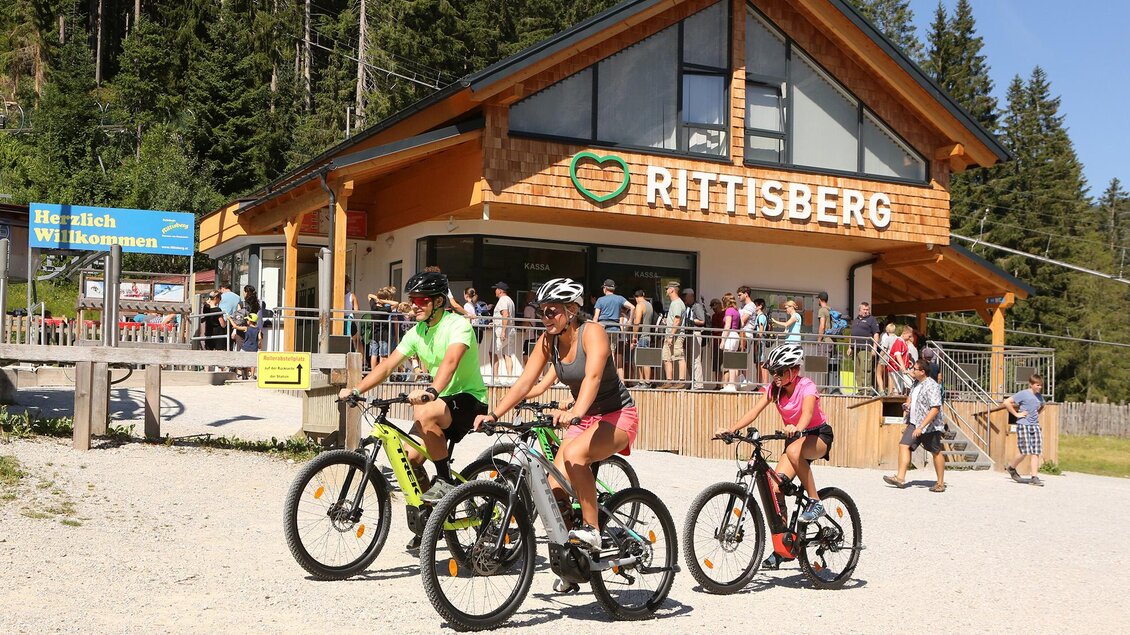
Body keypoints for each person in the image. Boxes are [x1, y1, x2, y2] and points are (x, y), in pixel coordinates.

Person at [475, 277, 637, 591]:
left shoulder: (594, 333)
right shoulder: (548, 342)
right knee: (555, 490)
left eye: (553, 311)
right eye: (542, 311)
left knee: (576, 457)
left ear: (572, 310)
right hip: (585, 417)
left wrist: (576, 411)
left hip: (617, 416)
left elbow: (591, 378)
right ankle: (573, 566)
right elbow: (524, 383)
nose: (546, 317)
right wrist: (494, 414)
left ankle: (592, 529)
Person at [337, 271, 488, 526]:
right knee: (409, 458)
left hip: (468, 400)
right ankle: (434, 521)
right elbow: (386, 367)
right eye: (413, 300)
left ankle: (444, 482)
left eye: (421, 300)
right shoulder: (418, 331)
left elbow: (451, 362)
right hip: (440, 402)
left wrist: (432, 391)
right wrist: (357, 390)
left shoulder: (458, 325)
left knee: (425, 412)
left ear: (438, 302)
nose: (415, 305)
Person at [715, 344, 833, 568]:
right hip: (795, 440)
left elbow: (808, 412)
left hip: (817, 436)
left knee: (793, 450)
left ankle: (816, 502)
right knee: (776, 487)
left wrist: (798, 427)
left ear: (794, 371)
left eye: (780, 372)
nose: (776, 377)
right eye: (773, 372)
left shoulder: (806, 386)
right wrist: (731, 429)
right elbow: (754, 411)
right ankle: (784, 548)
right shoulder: (774, 390)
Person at [883, 359, 946, 492]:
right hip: (914, 422)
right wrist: (908, 405)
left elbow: (935, 408)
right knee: (904, 445)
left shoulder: (932, 385)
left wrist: (921, 427)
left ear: (922, 372)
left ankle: (940, 483)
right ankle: (900, 478)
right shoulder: (916, 383)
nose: (912, 371)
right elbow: (912, 398)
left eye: (915, 369)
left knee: (936, 452)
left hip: (930, 426)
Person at [1002, 374, 1047, 486]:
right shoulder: (1023, 394)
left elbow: (1043, 406)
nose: (1039, 387)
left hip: (1035, 425)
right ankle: (1011, 468)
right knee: (1025, 451)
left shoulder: (1039, 396)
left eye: (1041, 385)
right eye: (1037, 385)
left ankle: (1034, 477)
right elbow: (1006, 402)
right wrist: (1017, 414)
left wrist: (1036, 414)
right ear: (1031, 384)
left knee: (1036, 451)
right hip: (1023, 425)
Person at [592, 279, 633, 380]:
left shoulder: (600, 300)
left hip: (602, 328)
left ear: (605, 288)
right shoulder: (619, 299)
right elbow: (632, 307)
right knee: (612, 352)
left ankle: (602, 376)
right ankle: (611, 376)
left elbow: (595, 318)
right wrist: (630, 321)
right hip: (614, 328)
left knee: (600, 352)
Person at [849, 302, 880, 394]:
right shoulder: (856, 320)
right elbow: (852, 334)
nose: (866, 311)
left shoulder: (872, 320)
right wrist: (849, 347)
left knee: (865, 369)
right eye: (864, 309)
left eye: (867, 309)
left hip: (866, 348)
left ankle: (867, 389)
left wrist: (874, 347)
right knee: (857, 370)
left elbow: (876, 334)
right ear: (860, 310)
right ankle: (860, 390)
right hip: (855, 348)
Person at [659, 281, 686, 388]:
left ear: (672, 290)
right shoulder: (675, 303)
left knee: (679, 356)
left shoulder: (677, 303)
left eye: (667, 289)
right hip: (670, 335)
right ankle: (669, 381)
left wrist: (671, 336)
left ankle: (681, 381)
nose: (666, 291)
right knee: (666, 358)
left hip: (676, 335)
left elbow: (677, 320)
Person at [491, 282, 517, 380]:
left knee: (493, 352)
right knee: (508, 354)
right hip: (511, 330)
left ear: (500, 291)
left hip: (503, 331)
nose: (495, 291)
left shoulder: (502, 300)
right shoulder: (510, 300)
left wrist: (503, 331)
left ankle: (495, 378)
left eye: (496, 289)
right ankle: (509, 378)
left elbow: (505, 314)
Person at [683, 288, 707, 390]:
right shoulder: (688, 307)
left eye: (685, 296)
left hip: (696, 333)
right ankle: (693, 381)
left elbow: (702, 321)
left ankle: (698, 384)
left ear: (690, 296)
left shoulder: (697, 306)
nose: (684, 298)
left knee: (696, 360)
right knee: (689, 360)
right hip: (689, 334)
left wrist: (691, 320)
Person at [630, 290, 655, 387]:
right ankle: (641, 381)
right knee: (640, 360)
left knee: (644, 360)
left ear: (635, 297)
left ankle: (647, 381)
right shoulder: (649, 305)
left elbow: (637, 321)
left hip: (642, 336)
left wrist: (634, 336)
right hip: (647, 335)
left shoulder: (639, 305)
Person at [719, 293, 742, 392]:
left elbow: (727, 325)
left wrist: (723, 340)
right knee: (733, 361)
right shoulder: (737, 311)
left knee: (730, 361)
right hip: (736, 335)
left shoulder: (729, 311)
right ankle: (732, 384)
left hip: (730, 335)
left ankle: (731, 384)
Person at [887, 325, 914, 395]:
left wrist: (908, 361)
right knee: (898, 386)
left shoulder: (903, 342)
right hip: (897, 368)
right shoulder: (899, 341)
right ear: (904, 333)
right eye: (909, 336)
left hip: (900, 368)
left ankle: (903, 396)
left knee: (905, 385)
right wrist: (902, 366)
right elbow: (898, 355)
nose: (909, 338)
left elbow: (902, 355)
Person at [877, 322, 897, 395]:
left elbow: (884, 349)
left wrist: (879, 356)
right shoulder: (897, 338)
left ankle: (881, 390)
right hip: (893, 358)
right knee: (890, 375)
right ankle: (890, 391)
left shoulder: (888, 338)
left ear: (887, 330)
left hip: (885, 357)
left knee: (879, 373)